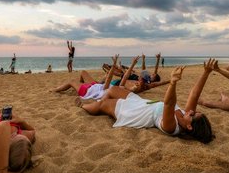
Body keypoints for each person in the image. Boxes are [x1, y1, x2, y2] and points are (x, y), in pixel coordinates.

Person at [77, 59, 217, 144]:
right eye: (194, 111)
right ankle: (98, 100)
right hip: (142, 103)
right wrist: (206, 73)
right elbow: (194, 95)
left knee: (103, 104)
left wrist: (173, 83)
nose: (191, 111)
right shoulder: (185, 116)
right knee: (113, 90)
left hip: (134, 113)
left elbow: (168, 104)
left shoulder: (172, 126)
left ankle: (84, 106)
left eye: (192, 115)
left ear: (189, 127)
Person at [52, 56, 119, 100]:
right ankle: (79, 85)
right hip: (95, 86)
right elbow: (109, 79)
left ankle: (55, 90)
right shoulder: (112, 88)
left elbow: (109, 78)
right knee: (83, 72)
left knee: (71, 81)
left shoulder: (107, 91)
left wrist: (113, 66)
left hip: (87, 91)